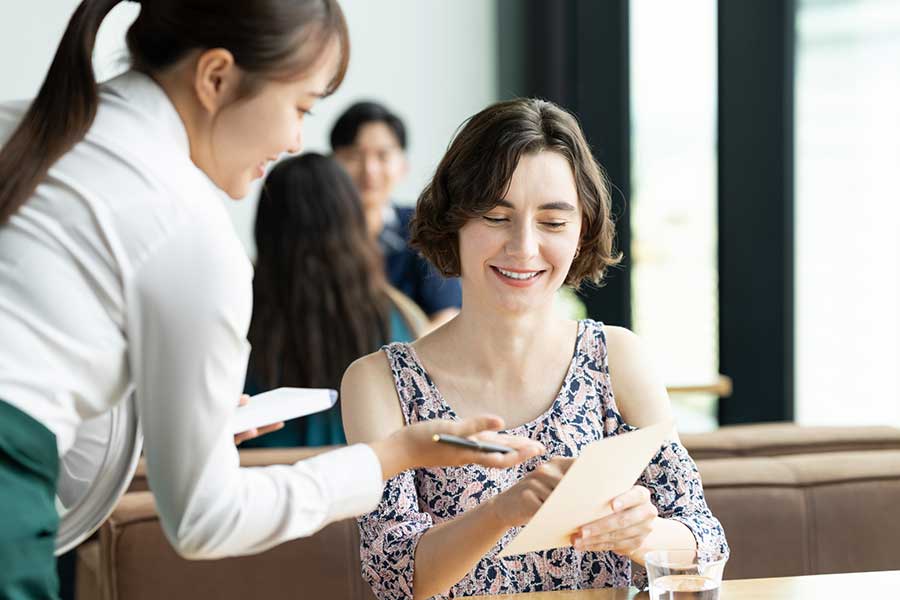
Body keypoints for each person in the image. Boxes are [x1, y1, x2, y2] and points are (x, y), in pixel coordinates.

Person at [0, 2, 544, 597]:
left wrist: (181, 423)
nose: (294, 141)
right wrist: (391, 456)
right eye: (300, 107)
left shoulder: (24, 129)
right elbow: (205, 521)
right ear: (215, 78)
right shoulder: (190, 231)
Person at [342, 98, 730, 599]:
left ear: (581, 230)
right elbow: (395, 579)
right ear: (453, 221)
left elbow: (705, 540)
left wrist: (642, 535)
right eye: (496, 217)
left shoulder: (616, 358)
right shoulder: (379, 382)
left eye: (552, 222)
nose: (524, 248)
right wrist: (504, 511)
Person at [242, 152, 426, 447]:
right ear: (353, 223)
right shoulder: (400, 318)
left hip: (260, 485)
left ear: (266, 228)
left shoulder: (237, 316)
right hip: (367, 488)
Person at [330, 101, 461, 327]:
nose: (369, 170)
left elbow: (445, 316)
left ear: (402, 165)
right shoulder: (314, 230)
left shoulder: (423, 226)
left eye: (382, 156)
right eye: (353, 155)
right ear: (331, 164)